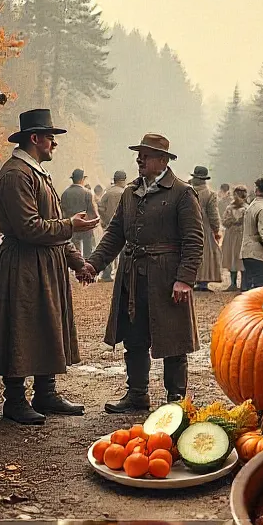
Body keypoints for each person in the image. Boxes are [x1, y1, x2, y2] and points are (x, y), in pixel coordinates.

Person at [0, 108, 98, 424]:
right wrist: (71, 225)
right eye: (51, 138)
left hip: (44, 264)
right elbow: (30, 228)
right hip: (22, 267)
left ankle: (46, 392)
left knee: (46, 326)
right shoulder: (16, 175)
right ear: (35, 138)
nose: (54, 144)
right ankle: (14, 400)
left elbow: (52, 227)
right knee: (21, 326)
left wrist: (77, 262)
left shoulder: (38, 173)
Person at [80, 132, 203, 413]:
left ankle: (176, 402)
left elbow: (194, 239)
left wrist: (184, 279)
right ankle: (137, 395)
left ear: (163, 160)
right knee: (134, 337)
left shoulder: (182, 193)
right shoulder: (130, 192)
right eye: (139, 154)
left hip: (166, 277)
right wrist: (93, 264)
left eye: (146, 155)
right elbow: (114, 234)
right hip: (133, 276)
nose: (139, 159)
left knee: (173, 340)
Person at [189, 165, 222, 291]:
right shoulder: (210, 194)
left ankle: (190, 278)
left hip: (187, 225)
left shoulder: (187, 191)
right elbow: (213, 214)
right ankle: (203, 281)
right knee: (206, 253)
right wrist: (216, 229)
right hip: (204, 227)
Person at [97, 170, 127, 282]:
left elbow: (100, 208)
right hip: (124, 225)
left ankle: (107, 274)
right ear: (123, 180)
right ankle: (122, 274)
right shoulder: (126, 192)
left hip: (109, 225)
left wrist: (105, 219)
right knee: (124, 250)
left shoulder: (107, 193)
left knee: (108, 248)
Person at [60, 168, 95, 260]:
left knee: (74, 250)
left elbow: (62, 211)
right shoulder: (87, 193)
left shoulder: (65, 193)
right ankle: (87, 268)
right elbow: (92, 212)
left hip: (71, 226)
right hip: (85, 226)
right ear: (82, 179)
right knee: (88, 251)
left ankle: (75, 269)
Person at [221, 185, 248, 290]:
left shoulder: (247, 208)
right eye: (237, 194)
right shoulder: (229, 208)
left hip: (242, 235)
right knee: (231, 258)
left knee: (242, 259)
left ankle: (244, 284)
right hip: (231, 236)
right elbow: (224, 221)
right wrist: (232, 221)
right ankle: (233, 283)